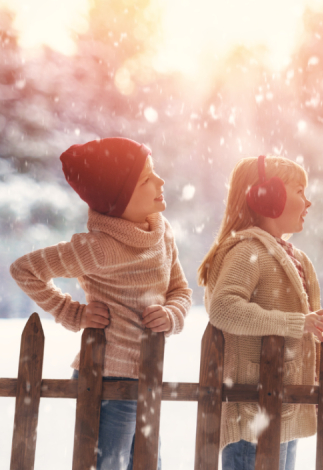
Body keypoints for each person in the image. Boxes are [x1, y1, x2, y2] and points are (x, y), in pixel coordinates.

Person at [10, 137, 192, 470]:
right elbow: (25, 270)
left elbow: (181, 289)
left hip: (148, 376)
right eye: (146, 179)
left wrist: (172, 314)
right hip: (106, 380)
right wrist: (71, 312)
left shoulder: (163, 233)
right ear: (118, 199)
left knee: (151, 463)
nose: (161, 182)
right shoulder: (98, 247)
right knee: (110, 465)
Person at [198, 155, 323, 470]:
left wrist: (312, 325)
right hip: (252, 410)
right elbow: (223, 308)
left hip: (282, 404)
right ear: (268, 196)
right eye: (300, 191)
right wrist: (297, 323)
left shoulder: (294, 256)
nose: (308, 201)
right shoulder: (248, 250)